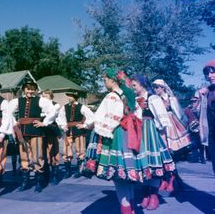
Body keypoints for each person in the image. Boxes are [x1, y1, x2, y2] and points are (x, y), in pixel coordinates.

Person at [82, 69, 141, 214]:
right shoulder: (127, 94)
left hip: (115, 136)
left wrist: (90, 126)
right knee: (127, 177)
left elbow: (105, 118)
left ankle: (126, 211)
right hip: (127, 134)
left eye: (105, 80)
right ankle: (131, 209)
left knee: (119, 178)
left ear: (112, 80)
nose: (104, 82)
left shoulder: (112, 96)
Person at [131, 75, 175, 210]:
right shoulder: (133, 100)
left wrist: (164, 141)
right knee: (143, 165)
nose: (132, 88)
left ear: (142, 84)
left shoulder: (152, 98)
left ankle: (154, 196)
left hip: (151, 135)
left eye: (134, 86)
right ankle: (145, 194)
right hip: (138, 135)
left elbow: (162, 120)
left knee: (155, 166)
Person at [8, 78, 56, 193]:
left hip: (36, 131)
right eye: (27, 89)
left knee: (38, 156)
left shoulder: (41, 100)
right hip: (23, 132)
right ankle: (25, 182)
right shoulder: (17, 101)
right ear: (24, 89)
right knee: (24, 156)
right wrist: (15, 123)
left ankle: (39, 182)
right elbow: (8, 112)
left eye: (32, 89)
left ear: (35, 90)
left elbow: (53, 111)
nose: (30, 91)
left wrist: (44, 122)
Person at [57, 91, 94, 179]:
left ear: (75, 97)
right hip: (68, 130)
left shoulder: (82, 107)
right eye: (68, 96)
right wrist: (63, 126)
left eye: (70, 96)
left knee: (80, 150)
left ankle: (79, 170)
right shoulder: (64, 107)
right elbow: (60, 117)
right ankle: (67, 171)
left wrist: (84, 125)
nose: (68, 97)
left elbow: (92, 117)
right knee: (66, 150)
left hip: (79, 130)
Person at [196, 59, 215, 175]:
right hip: (212, 134)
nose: (210, 75)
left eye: (213, 72)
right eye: (207, 73)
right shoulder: (208, 91)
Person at [41, 89, 61, 185]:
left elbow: (52, 115)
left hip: (51, 129)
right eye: (43, 96)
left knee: (53, 152)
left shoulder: (55, 105)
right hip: (41, 130)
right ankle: (45, 174)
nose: (45, 97)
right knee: (42, 152)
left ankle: (55, 174)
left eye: (47, 96)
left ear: (51, 96)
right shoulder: (40, 105)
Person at [184, 96, 206, 164]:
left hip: (200, 129)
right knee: (193, 144)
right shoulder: (187, 109)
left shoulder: (201, 109)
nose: (193, 102)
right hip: (191, 129)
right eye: (192, 101)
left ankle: (202, 159)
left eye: (195, 101)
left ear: (197, 101)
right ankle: (195, 158)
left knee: (201, 144)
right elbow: (185, 119)